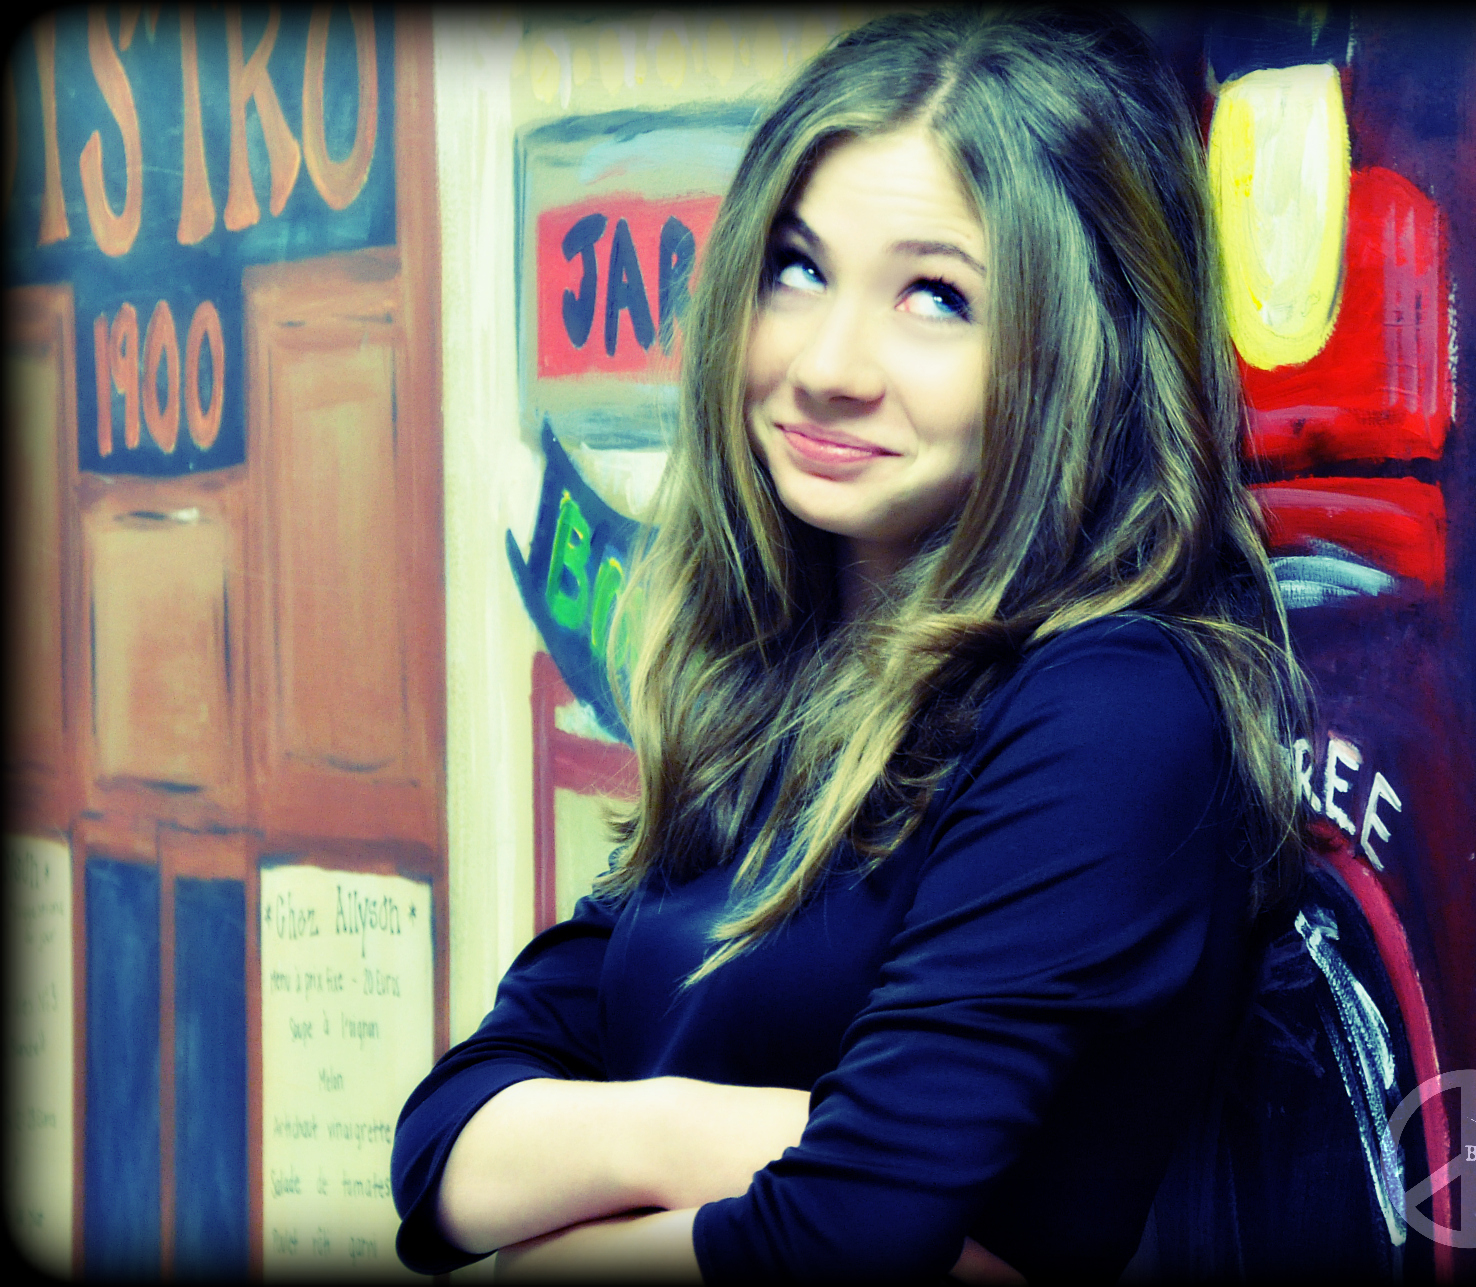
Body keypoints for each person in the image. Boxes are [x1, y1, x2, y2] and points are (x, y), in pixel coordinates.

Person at [391, 7, 1312, 1280]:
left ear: (1078, 351)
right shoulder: (776, 691)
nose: (828, 365)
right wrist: (716, 1133)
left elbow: (839, 1239)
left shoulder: (1113, 710)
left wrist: (547, 1241)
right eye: (798, 269)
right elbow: (444, 1140)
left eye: (937, 297)